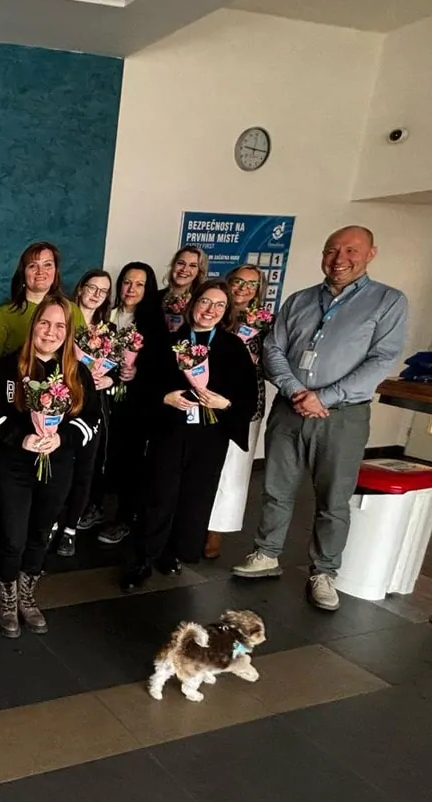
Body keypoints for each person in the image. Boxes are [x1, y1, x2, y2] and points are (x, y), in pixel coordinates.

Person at [233, 226, 409, 610]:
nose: (339, 259)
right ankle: (267, 553)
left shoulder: (388, 301)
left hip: (341, 415)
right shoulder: (300, 300)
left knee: (334, 498)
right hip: (289, 408)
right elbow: (273, 349)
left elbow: (381, 360)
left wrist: (322, 397)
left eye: (351, 250)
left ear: (371, 253)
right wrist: (296, 391)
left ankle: (325, 572)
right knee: (276, 487)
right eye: (332, 250)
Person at [124, 281, 257, 592]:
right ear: (193, 303)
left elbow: (248, 397)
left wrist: (225, 405)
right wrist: (164, 398)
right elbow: (141, 387)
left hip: (210, 436)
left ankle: (174, 553)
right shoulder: (165, 342)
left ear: (226, 311)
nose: (210, 310)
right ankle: (143, 558)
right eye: (205, 302)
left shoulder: (233, 348)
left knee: (195, 497)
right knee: (159, 495)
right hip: (170, 431)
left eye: (219, 305)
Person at [0, 295, 98, 636]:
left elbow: (92, 420)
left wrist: (63, 438)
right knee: (13, 537)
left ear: (68, 332)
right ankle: (7, 597)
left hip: (58, 467)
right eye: (45, 323)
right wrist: (20, 438)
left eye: (60, 326)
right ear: (34, 326)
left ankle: (27, 595)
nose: (50, 331)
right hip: (14, 467)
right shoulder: (8, 367)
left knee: (41, 534)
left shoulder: (77, 373)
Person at [96, 262, 168, 546]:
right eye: (127, 282)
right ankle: (94, 506)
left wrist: (137, 371)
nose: (131, 289)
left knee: (130, 460)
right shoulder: (107, 316)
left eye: (139, 284)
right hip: (106, 398)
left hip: (136, 404)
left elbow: (161, 364)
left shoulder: (153, 323)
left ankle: (124, 518)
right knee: (101, 454)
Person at [204, 265, 268, 560]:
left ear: (259, 290)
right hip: (206, 397)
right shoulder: (211, 310)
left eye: (251, 284)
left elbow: (275, 361)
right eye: (238, 281)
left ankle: (216, 529)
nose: (243, 288)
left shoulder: (265, 323)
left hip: (244, 402)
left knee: (234, 468)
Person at [52, 268, 115, 556]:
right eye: (92, 287)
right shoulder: (63, 320)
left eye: (103, 291)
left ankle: (70, 529)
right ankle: (52, 521)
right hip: (60, 406)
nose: (96, 294)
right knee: (57, 468)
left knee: (85, 470)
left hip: (92, 409)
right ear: (80, 288)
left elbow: (121, 371)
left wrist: (110, 380)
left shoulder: (109, 331)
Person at [0, 241, 82, 369]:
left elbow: (86, 356)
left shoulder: (72, 310)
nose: (40, 271)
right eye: (33, 266)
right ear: (23, 272)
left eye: (47, 265)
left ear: (56, 271)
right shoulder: (6, 313)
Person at [158, 245, 206, 332]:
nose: (184, 269)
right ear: (173, 265)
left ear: (199, 272)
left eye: (192, 265)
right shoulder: (154, 298)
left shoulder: (202, 302)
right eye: (180, 263)